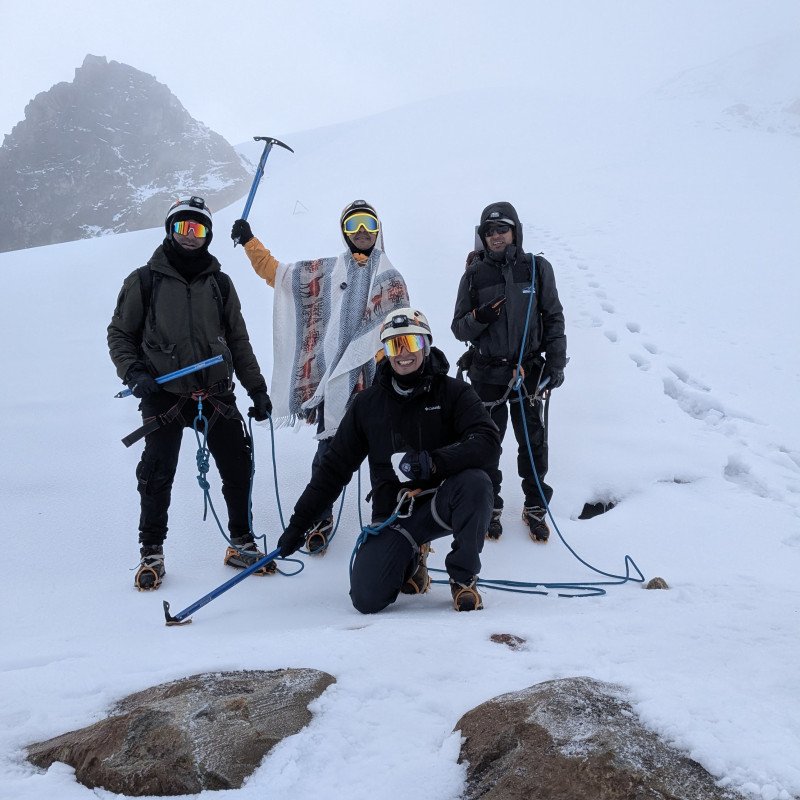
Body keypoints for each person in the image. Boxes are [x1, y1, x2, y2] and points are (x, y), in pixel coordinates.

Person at [276, 308, 501, 613]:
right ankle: (411, 559)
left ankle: (463, 577)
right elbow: (333, 469)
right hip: (394, 514)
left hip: (441, 503)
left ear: (426, 345)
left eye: (411, 342)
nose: (403, 353)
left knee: (477, 483)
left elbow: (487, 442)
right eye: (395, 345)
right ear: (385, 352)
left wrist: (434, 462)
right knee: (367, 599)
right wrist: (298, 525)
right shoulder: (367, 405)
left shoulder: (454, 393)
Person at [108, 196, 273, 590]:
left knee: (237, 465)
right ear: (170, 230)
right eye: (182, 227)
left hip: (215, 393)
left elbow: (238, 340)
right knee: (156, 472)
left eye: (197, 229)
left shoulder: (220, 284)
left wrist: (256, 388)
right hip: (164, 393)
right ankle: (151, 551)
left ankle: (241, 542)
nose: (189, 236)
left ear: (208, 235)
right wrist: (134, 373)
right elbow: (120, 334)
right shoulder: (144, 280)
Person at [231, 201, 409, 554]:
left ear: (378, 229)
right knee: (329, 458)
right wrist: (251, 243)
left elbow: (402, 334)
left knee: (384, 459)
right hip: (336, 387)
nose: (362, 231)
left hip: (378, 385)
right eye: (354, 224)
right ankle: (319, 518)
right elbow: (278, 275)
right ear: (345, 231)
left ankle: (386, 520)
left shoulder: (391, 279)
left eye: (368, 223)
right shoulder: (326, 272)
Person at [451, 202, 567, 543]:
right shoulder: (473, 275)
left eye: (502, 228)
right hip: (486, 374)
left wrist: (555, 364)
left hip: (528, 372)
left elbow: (553, 317)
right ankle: (490, 504)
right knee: (487, 443)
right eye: (489, 231)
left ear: (515, 231)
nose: (496, 235)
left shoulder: (537, 269)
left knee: (532, 442)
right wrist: (480, 318)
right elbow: (459, 328)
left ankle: (535, 506)